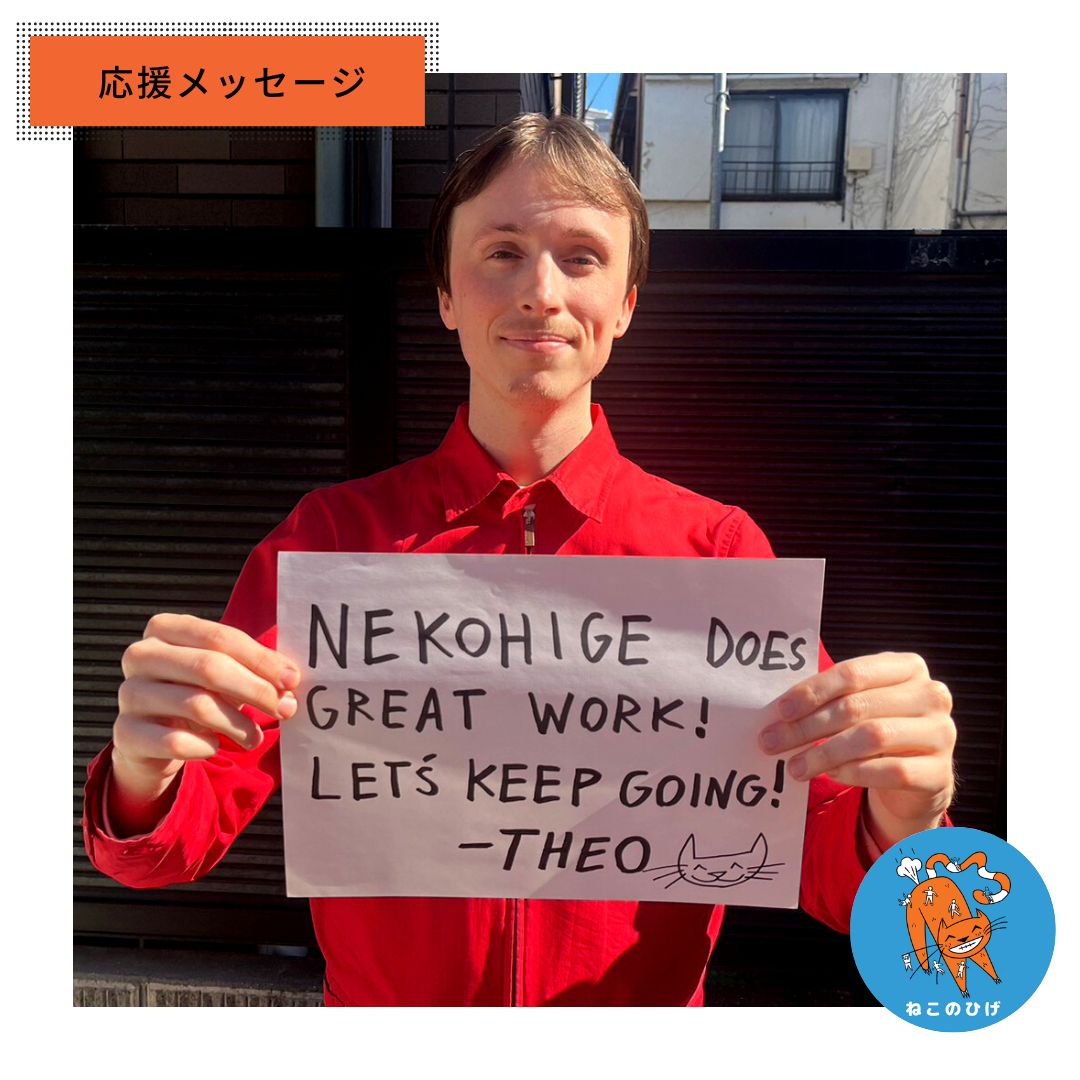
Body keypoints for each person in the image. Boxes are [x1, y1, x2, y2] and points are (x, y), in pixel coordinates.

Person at [83, 114, 956, 1006]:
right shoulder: (332, 540)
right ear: (446, 296)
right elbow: (169, 846)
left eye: (581, 257)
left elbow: (841, 873)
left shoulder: (716, 552)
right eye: (502, 252)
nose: (541, 291)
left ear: (624, 305)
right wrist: (146, 772)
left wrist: (908, 814)